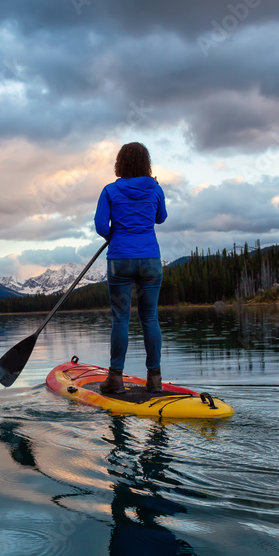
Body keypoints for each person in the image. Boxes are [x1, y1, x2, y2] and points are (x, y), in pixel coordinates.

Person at [94, 142, 167, 394]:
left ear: (120, 163)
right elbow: (161, 217)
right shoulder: (155, 188)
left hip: (120, 260)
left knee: (120, 320)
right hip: (150, 259)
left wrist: (117, 233)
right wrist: (154, 187)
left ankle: (115, 379)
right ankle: (155, 379)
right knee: (150, 317)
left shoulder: (110, 190)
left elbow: (102, 226)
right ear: (146, 164)